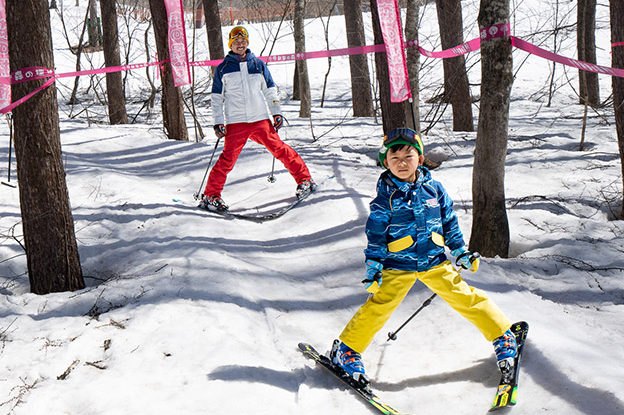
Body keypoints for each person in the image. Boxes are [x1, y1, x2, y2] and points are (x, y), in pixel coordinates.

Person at [329, 128, 518, 383]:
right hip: (398, 265)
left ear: (420, 158)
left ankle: (502, 334)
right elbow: (376, 235)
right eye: (394, 159)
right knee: (379, 307)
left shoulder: (435, 189)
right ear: (386, 163)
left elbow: (449, 221)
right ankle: (346, 350)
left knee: (465, 298)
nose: (402, 163)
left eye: (409, 156)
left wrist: (460, 250)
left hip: (434, 261)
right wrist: (373, 266)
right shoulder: (386, 198)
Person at [199, 25, 315, 212]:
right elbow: (216, 98)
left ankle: (305, 180)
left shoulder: (258, 65)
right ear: (230, 44)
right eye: (236, 42)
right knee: (227, 160)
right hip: (236, 122)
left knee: (280, 149)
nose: (240, 44)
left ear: (247, 43)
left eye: (243, 41)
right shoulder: (223, 68)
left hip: (260, 119)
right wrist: (218, 121)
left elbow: (270, 90)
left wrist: (276, 112)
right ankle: (211, 195)